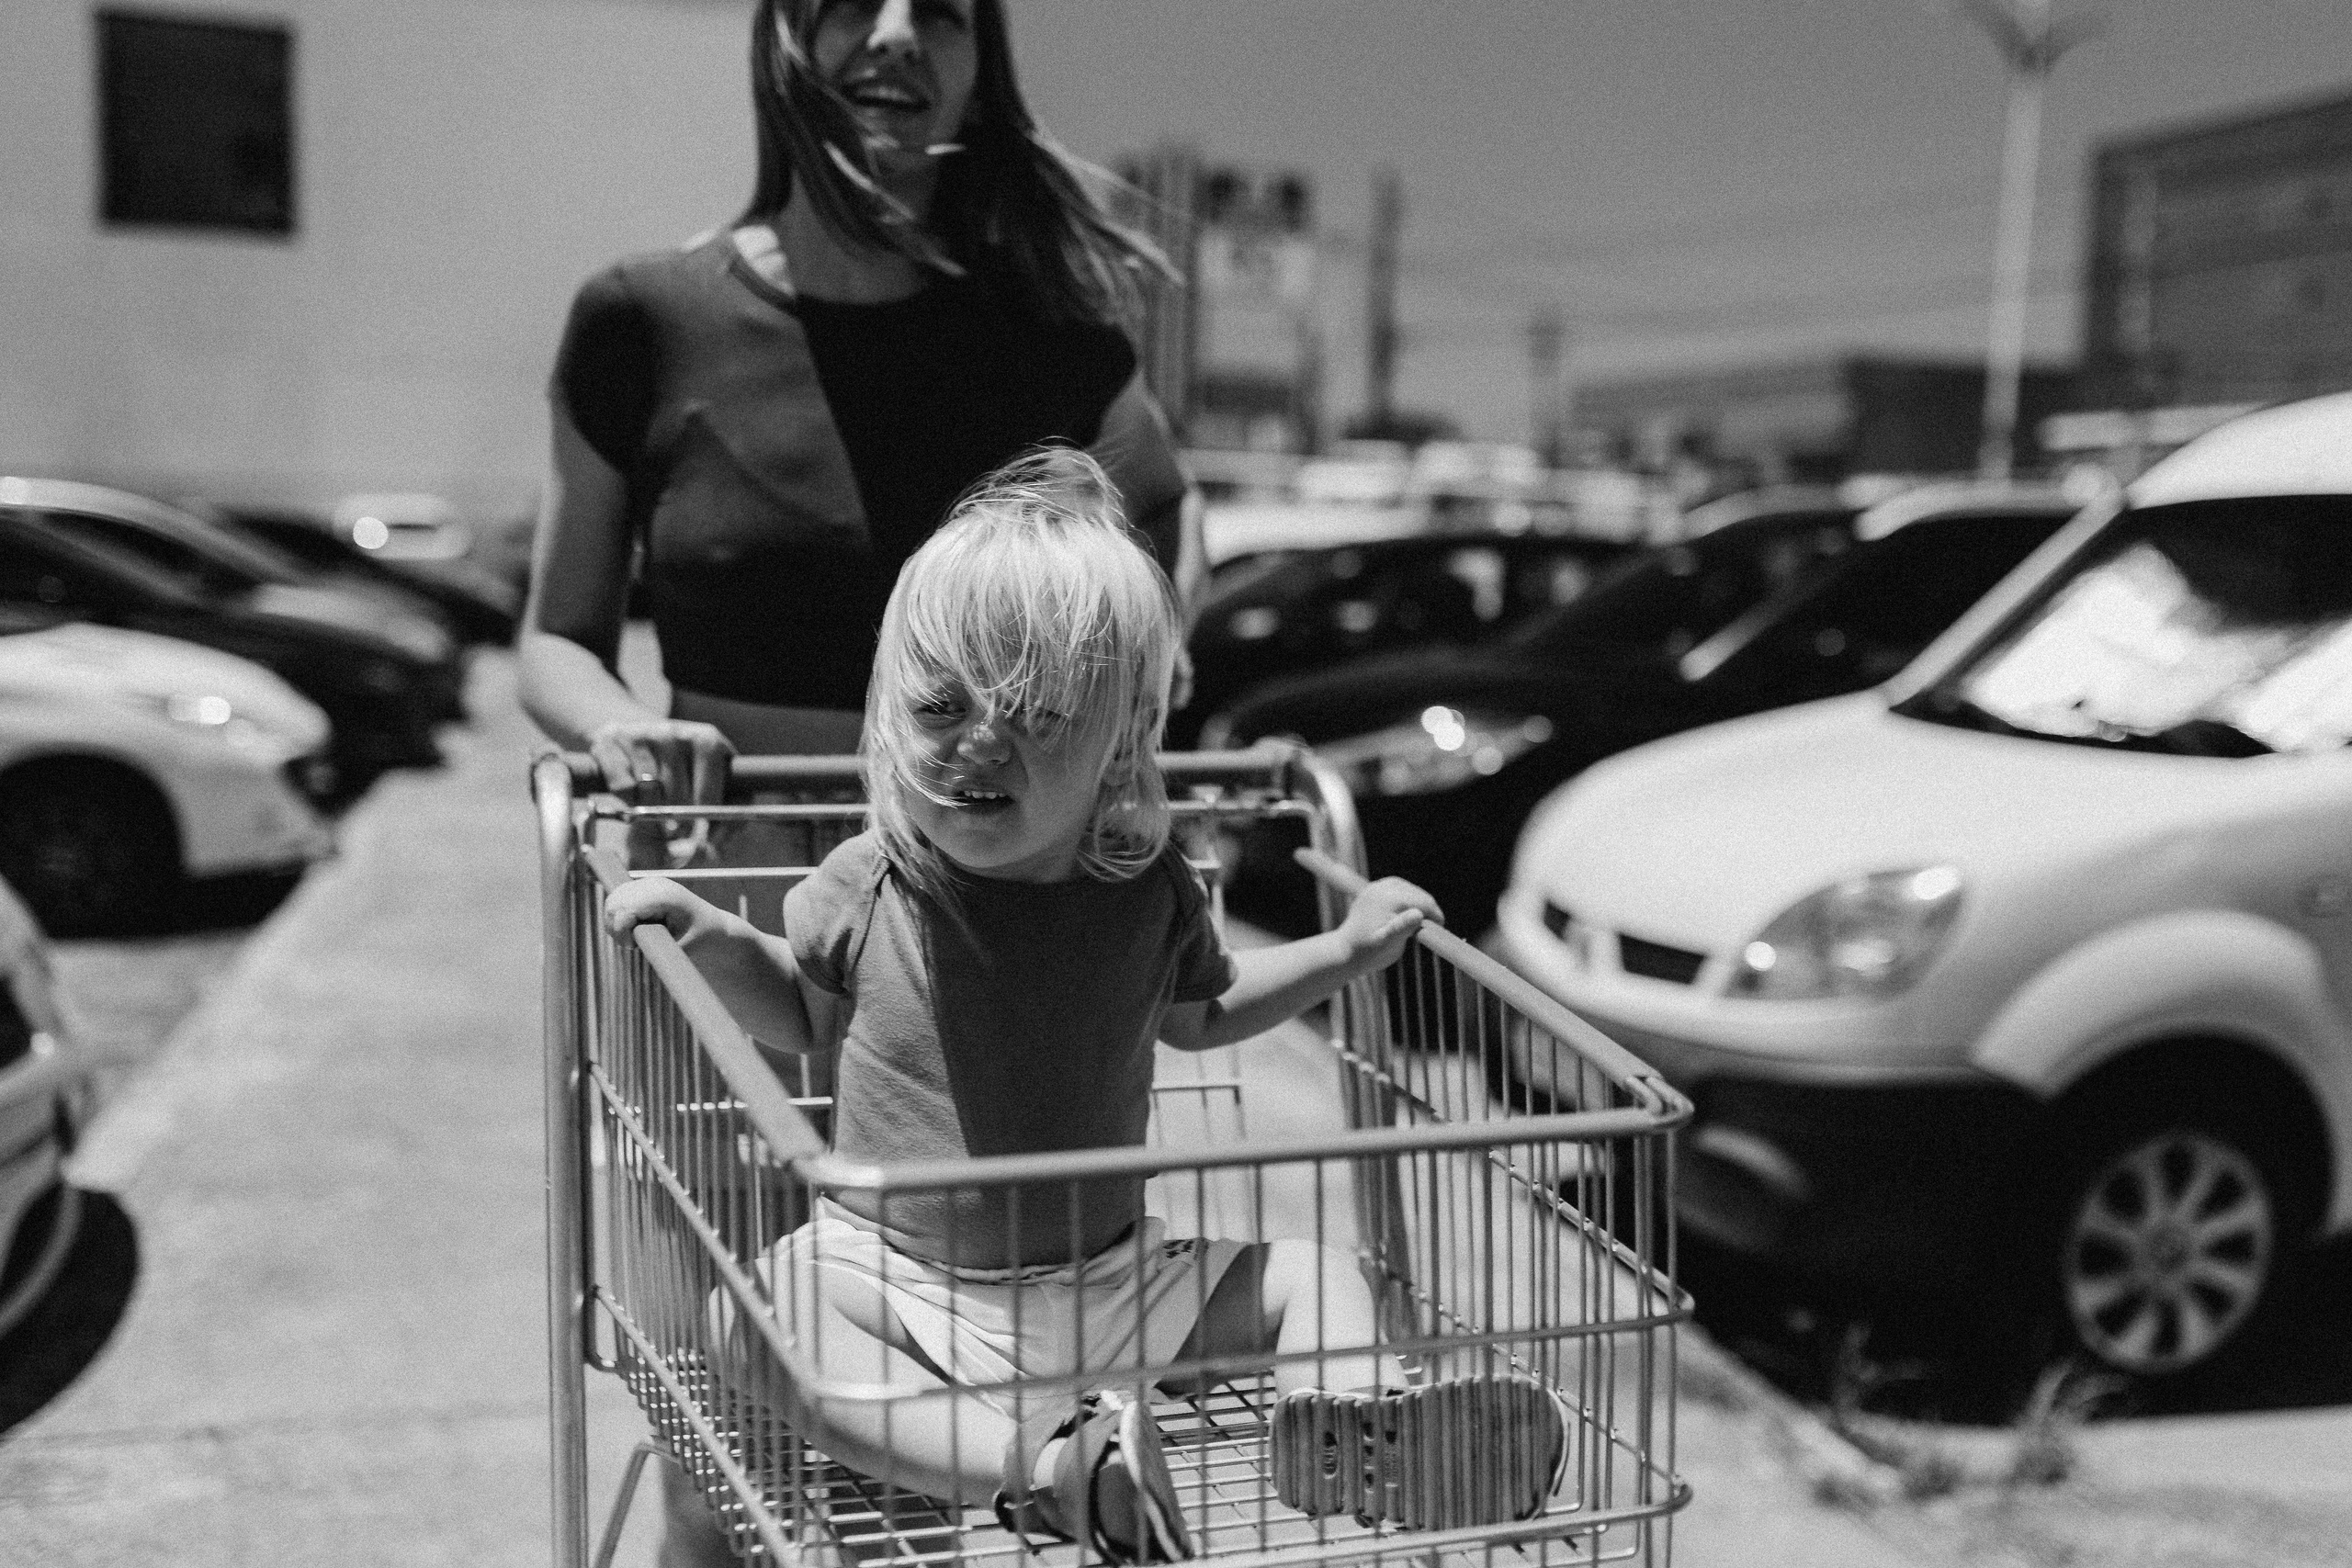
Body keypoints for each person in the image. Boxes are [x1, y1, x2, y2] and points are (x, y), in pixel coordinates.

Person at [605, 452, 1570, 1561]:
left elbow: (1208, 1011)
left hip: (1111, 1282)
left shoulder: (1143, 890)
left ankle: (1368, 1428)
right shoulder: (872, 882)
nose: (978, 740)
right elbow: (805, 1012)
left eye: (1035, 711)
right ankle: (1052, 1470)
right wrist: (711, 938)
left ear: (1119, 746)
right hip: (895, 1281)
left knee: (1316, 1273)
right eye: (940, 704)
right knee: (757, 1322)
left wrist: (1342, 952)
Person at [520, 0, 1201, 814]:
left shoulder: (1051, 334)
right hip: (731, 870)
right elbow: (556, 640)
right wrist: (625, 729)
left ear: (979, 85)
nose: (899, 34)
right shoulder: (641, 321)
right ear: (785, 46)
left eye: (941, 15)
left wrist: (1145, 670)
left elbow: (1166, 514)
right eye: (853, 5)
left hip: (977, 876)